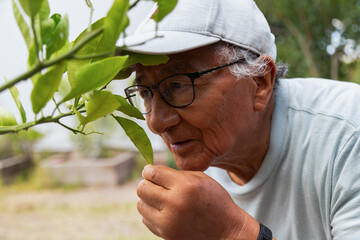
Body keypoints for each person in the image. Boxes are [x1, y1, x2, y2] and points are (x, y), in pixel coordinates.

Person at [119, 0, 360, 239]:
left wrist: (232, 232)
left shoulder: (348, 133)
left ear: (259, 82)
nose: (156, 123)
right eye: (145, 92)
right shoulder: (204, 172)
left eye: (179, 85)